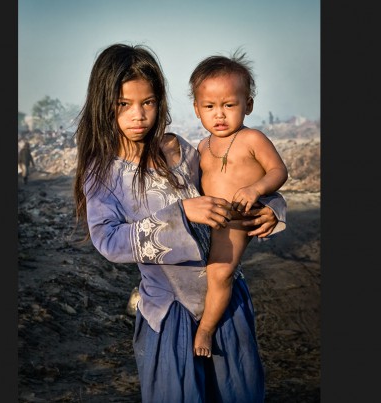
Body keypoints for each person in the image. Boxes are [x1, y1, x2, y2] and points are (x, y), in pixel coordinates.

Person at [73, 43, 286, 403]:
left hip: (226, 301)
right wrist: (182, 215)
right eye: (123, 104)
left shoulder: (178, 150)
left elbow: (233, 180)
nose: (138, 115)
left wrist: (273, 207)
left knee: (235, 392)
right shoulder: (101, 173)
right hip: (167, 313)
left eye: (148, 102)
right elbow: (109, 241)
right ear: (102, 104)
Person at [189, 50, 289, 358]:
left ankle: (205, 330)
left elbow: (278, 171)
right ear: (197, 109)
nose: (219, 115)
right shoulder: (202, 146)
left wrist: (257, 188)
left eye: (229, 105)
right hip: (207, 221)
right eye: (210, 106)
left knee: (220, 273)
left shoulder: (252, 138)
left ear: (248, 105)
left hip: (235, 221)